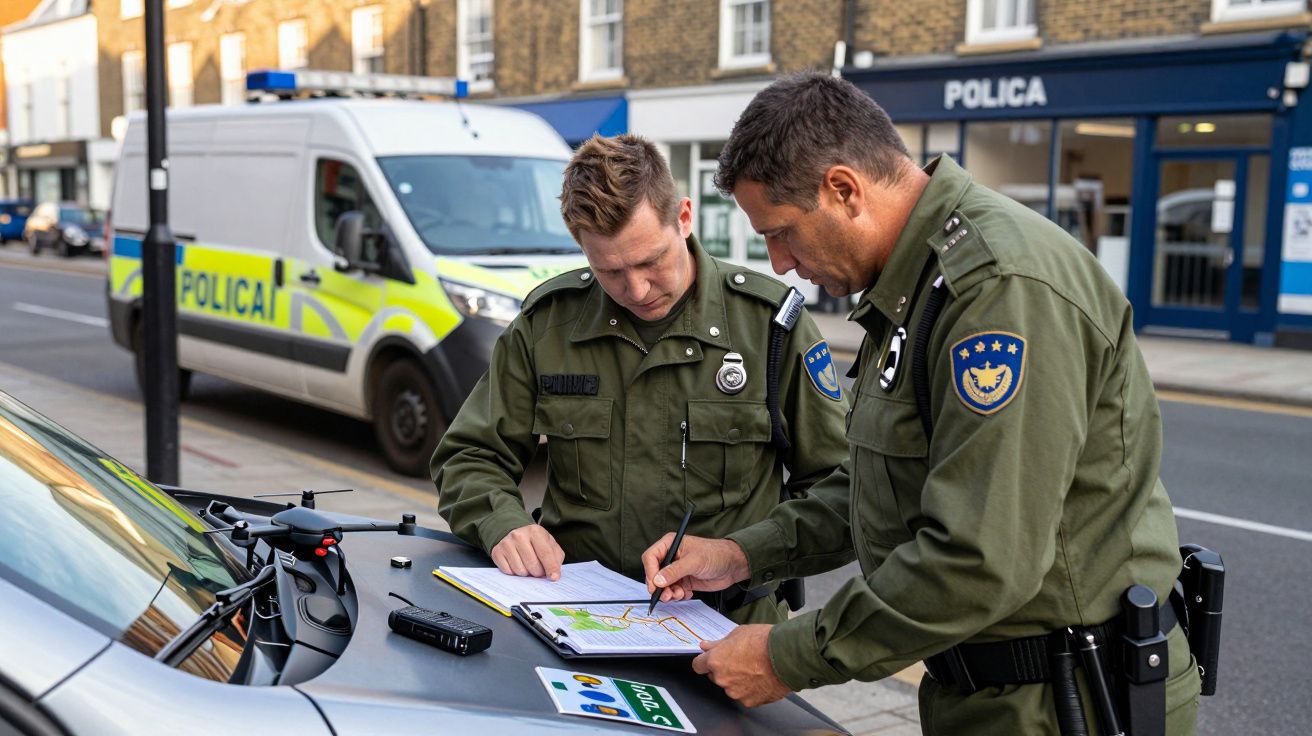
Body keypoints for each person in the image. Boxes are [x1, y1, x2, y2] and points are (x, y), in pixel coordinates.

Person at [642, 73, 1202, 733]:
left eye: (783, 233)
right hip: (996, 689)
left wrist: (790, 654)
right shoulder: (916, 287)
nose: (781, 263)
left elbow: (978, 558)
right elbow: (877, 491)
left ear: (843, 190)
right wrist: (740, 554)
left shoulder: (995, 290)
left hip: (1064, 700)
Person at [432, 133, 850, 625]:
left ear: (685, 218)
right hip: (579, 620)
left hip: (727, 630)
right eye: (609, 271)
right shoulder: (548, 327)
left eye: (651, 260)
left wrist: (743, 553)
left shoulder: (771, 328)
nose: (636, 288)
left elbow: (838, 488)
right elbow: (469, 456)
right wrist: (503, 524)